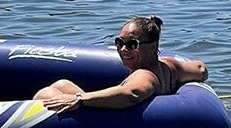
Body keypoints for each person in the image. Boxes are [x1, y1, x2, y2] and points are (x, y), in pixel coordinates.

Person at [34, 16, 208, 113]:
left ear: (153, 46)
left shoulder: (144, 74)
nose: (124, 50)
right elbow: (200, 69)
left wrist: (79, 99)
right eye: (119, 42)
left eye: (132, 44)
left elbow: (132, 93)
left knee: (46, 93)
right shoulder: (170, 66)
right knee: (62, 84)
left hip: (110, 125)